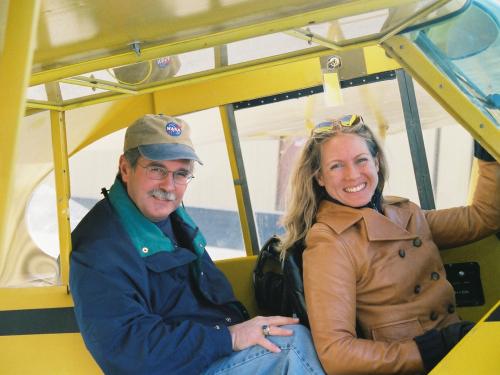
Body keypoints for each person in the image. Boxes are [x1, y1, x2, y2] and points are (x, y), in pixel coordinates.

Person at [70, 114, 325, 375]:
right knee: (291, 348)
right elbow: (127, 350)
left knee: (298, 331)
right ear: (126, 168)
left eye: (181, 174)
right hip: (183, 367)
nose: (168, 185)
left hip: (210, 354)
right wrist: (230, 338)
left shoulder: (172, 218)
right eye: (157, 169)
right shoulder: (99, 247)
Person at [280, 114, 499, 374]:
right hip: (420, 365)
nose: (352, 175)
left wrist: (487, 149)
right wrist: (431, 348)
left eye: (361, 160)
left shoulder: (405, 212)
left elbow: (483, 217)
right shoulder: (329, 241)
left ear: (376, 162)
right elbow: (336, 354)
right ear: (319, 178)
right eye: (337, 166)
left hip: (458, 351)